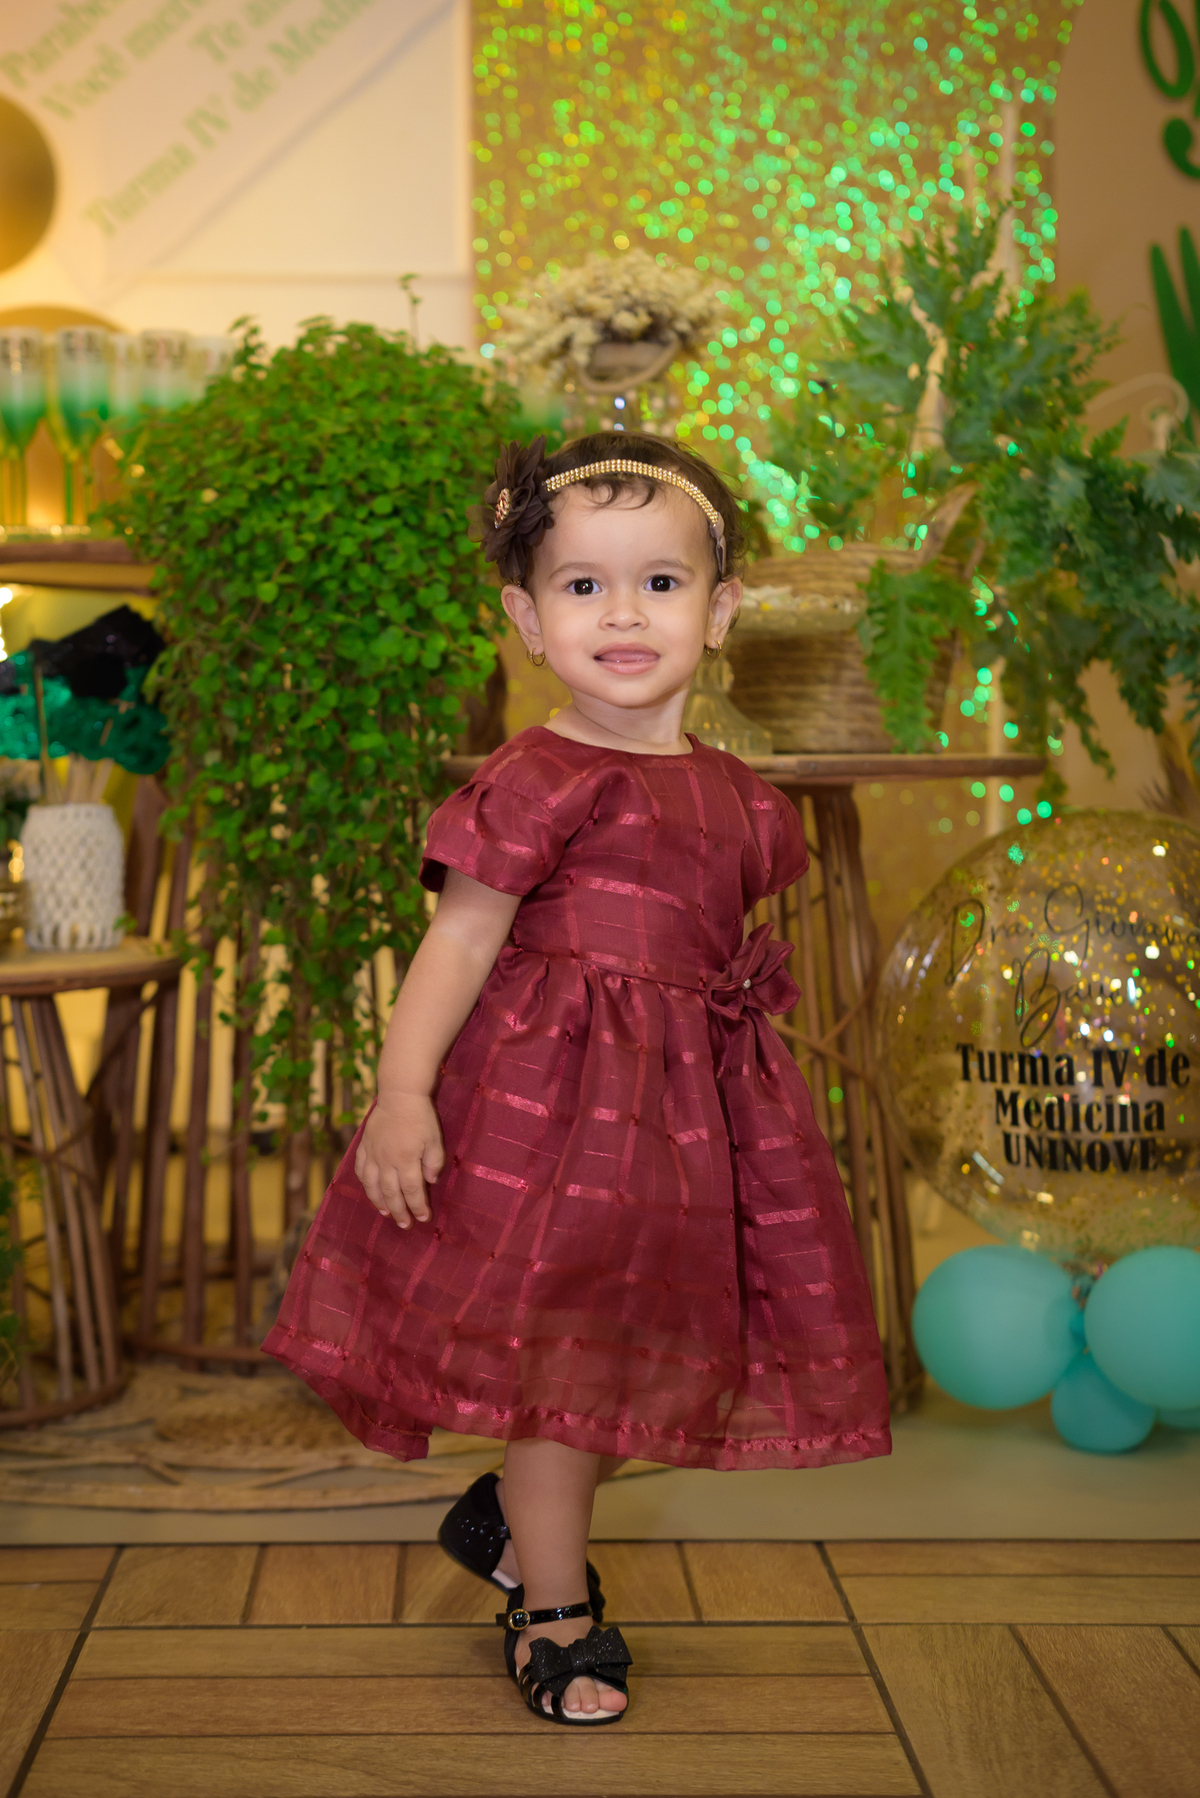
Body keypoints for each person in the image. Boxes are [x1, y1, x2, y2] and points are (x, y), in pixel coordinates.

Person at [264, 431, 890, 1726]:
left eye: (660, 583)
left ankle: (509, 1517)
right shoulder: (536, 777)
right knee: (563, 1370)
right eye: (584, 586)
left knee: (638, 1358)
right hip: (547, 1120)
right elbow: (460, 940)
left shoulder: (740, 797)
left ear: (721, 611)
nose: (623, 614)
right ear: (527, 620)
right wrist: (402, 1092)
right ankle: (553, 1608)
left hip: (687, 1132)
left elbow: (711, 953)